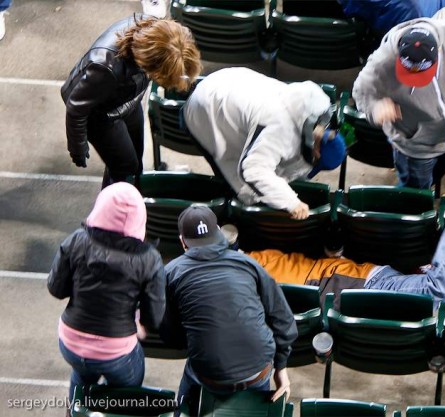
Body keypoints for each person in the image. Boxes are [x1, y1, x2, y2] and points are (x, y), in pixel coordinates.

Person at [224, 184, 445, 310]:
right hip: (348, 288)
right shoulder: (245, 275)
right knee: (431, 295)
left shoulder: (248, 270)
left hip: (351, 285)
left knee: (438, 291)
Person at [160, 206, 298, 415]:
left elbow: (172, 337)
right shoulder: (249, 264)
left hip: (207, 376)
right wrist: (281, 367)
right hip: (257, 371)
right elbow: (283, 319)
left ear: (182, 241)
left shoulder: (169, 273)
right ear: (218, 232)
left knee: (192, 372)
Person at [47, 182, 166, 402]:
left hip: (70, 342)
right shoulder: (149, 259)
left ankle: (76, 410)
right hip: (116, 351)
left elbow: (56, 288)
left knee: (82, 373)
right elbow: (155, 315)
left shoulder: (77, 240)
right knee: (128, 388)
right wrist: (141, 324)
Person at [182, 68, 347, 220]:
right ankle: (227, 220)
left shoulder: (313, 109)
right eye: (316, 162)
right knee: (238, 186)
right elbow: (252, 171)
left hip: (225, 83)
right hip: (204, 109)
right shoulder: (280, 130)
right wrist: (291, 202)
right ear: (317, 152)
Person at [61, 14, 202, 189]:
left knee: (135, 159)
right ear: (148, 64)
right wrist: (77, 147)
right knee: (124, 169)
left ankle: (133, 198)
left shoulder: (162, 38)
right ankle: (113, 211)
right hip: (100, 115)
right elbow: (76, 108)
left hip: (128, 101)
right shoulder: (106, 67)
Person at [352, 18, 445, 190]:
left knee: (434, 179)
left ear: (439, 51)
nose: (417, 81)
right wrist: (374, 108)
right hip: (415, 147)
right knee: (415, 197)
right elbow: (360, 92)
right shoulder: (383, 61)